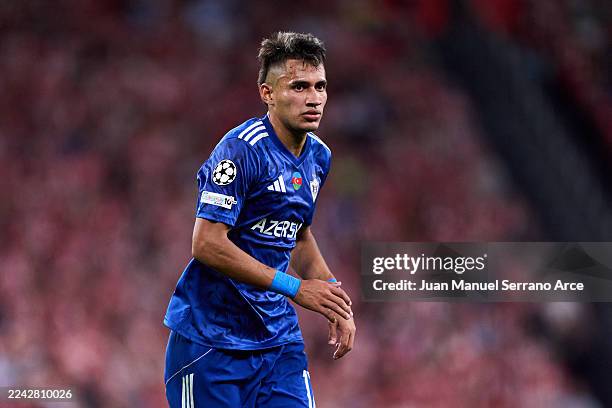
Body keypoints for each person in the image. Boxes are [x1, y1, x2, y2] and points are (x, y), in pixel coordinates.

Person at [163, 31, 356, 408]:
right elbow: (206, 243)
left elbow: (297, 234)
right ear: (267, 93)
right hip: (210, 341)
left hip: (277, 342)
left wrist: (337, 302)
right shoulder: (240, 151)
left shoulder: (319, 157)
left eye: (319, 86)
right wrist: (295, 288)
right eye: (299, 86)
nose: (313, 98)